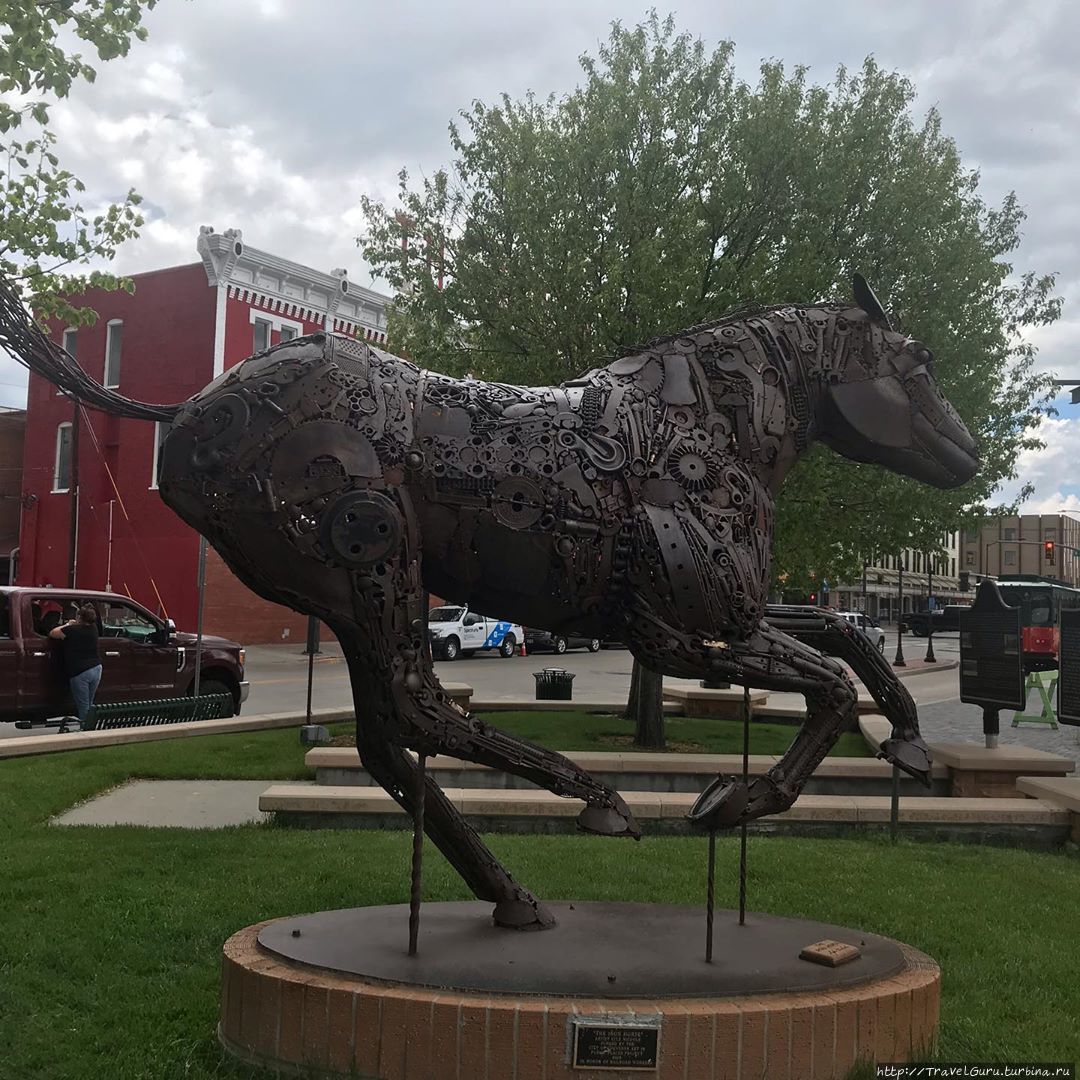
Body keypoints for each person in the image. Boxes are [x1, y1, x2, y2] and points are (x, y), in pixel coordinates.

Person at [49, 603, 103, 725]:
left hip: (80, 672)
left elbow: (53, 633)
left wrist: (68, 623)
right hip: (96, 668)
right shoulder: (94, 629)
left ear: (79, 617)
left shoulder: (72, 630)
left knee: (83, 705)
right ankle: (91, 724)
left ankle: (86, 729)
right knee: (89, 702)